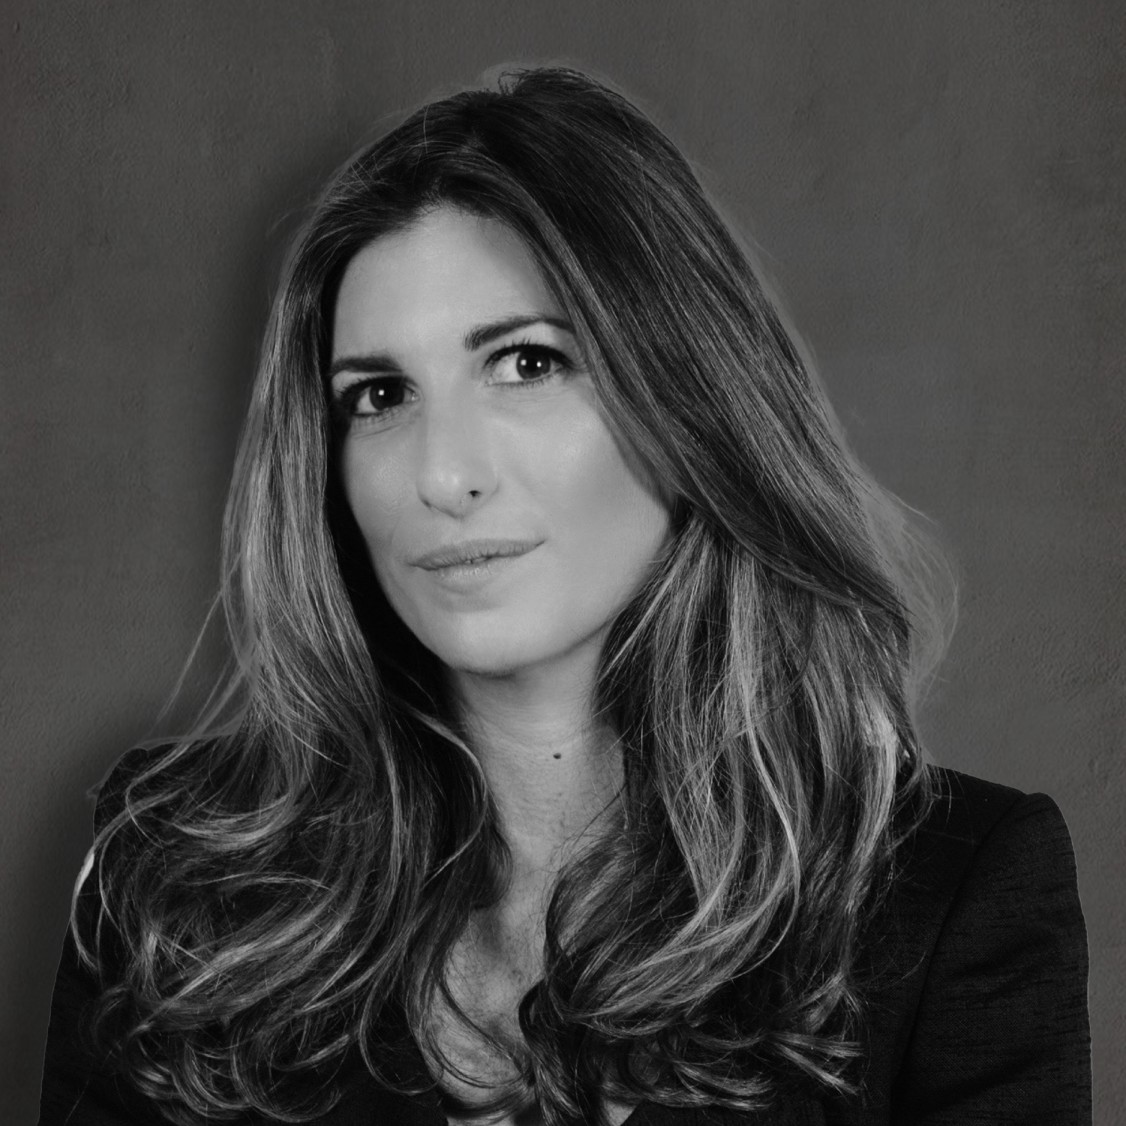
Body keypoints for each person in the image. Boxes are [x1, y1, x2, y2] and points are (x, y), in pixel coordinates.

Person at [38, 66, 1090, 1126]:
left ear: (691, 398)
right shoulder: (179, 882)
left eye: (527, 363)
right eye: (381, 394)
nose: (444, 474)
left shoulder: (943, 899)